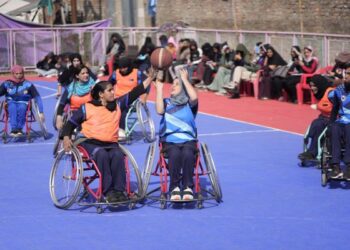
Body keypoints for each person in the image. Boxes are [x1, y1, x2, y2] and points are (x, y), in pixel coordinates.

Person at [61, 69, 156, 203]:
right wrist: (66, 137)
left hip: (110, 144)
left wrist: (150, 78)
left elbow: (135, 92)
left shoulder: (117, 105)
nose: (113, 92)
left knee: (118, 156)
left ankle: (119, 190)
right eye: (110, 90)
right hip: (90, 142)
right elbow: (70, 123)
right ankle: (108, 191)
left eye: (113, 90)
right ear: (101, 94)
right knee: (102, 155)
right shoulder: (87, 107)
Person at [154, 67, 198, 201]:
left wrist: (184, 79)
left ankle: (188, 187)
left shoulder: (189, 105)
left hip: (188, 140)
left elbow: (194, 96)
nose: (173, 85)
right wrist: (159, 89)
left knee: (187, 153)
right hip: (170, 141)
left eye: (177, 84)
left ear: (184, 87)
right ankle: (174, 188)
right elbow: (159, 110)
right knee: (174, 154)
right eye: (172, 83)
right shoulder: (167, 103)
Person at [108, 57, 149, 137]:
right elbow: (108, 84)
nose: (122, 69)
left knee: (121, 109)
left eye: (124, 67)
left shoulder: (137, 73)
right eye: (120, 68)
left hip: (131, 99)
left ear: (129, 66)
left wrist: (144, 97)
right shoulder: (115, 73)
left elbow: (146, 85)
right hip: (117, 98)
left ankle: (121, 130)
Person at [0, 65, 45, 136]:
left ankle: (19, 128)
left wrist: (41, 111)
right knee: (12, 107)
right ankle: (14, 129)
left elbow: (37, 97)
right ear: (13, 73)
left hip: (24, 103)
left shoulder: (28, 84)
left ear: (23, 73)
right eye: (16, 74)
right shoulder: (7, 83)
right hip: (10, 102)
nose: (19, 75)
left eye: (20, 73)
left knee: (22, 108)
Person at [298, 75, 334, 163]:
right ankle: (312, 150)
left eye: (314, 85)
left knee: (319, 125)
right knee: (316, 123)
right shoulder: (321, 93)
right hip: (324, 117)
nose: (312, 88)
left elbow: (336, 107)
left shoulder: (331, 93)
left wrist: (318, 106)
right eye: (311, 86)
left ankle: (313, 153)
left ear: (320, 84)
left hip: (334, 119)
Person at [327, 63, 350, 180]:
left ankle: (348, 166)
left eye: (349, 74)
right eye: (346, 73)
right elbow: (335, 109)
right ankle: (335, 166)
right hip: (342, 120)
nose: (346, 76)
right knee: (334, 129)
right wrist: (330, 124)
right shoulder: (338, 90)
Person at [55, 65, 96, 130]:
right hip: (75, 115)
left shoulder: (94, 87)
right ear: (77, 76)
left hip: (90, 115)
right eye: (83, 73)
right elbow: (62, 103)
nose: (86, 75)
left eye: (87, 73)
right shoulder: (71, 88)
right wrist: (59, 117)